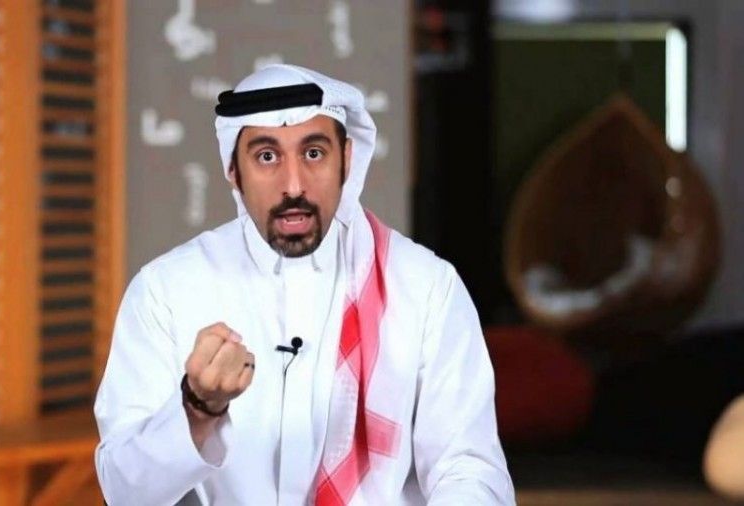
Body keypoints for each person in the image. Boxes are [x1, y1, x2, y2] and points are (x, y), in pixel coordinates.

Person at [94, 64, 514, 505]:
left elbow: (467, 468)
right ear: (233, 171)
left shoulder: (425, 287)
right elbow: (124, 492)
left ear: (346, 160)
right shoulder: (166, 291)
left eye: (313, 153)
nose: (293, 185)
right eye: (267, 157)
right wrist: (198, 408)